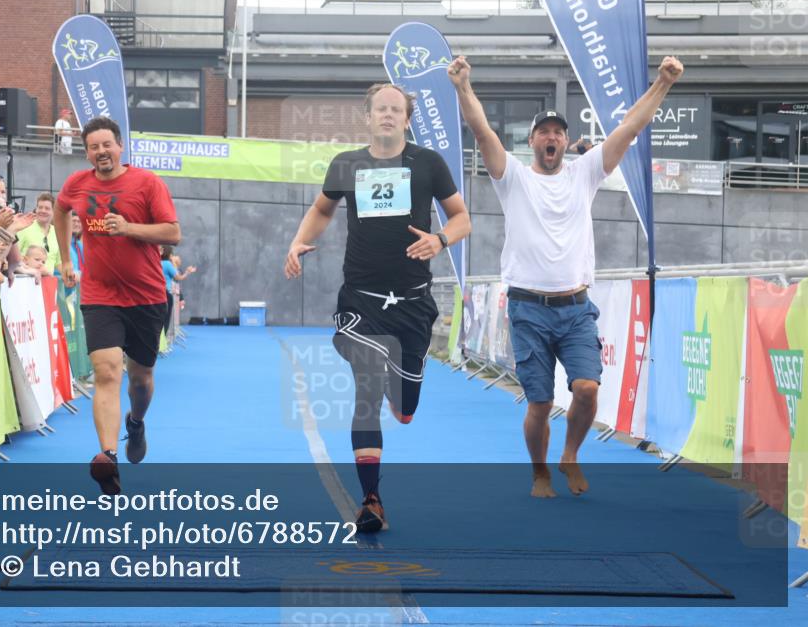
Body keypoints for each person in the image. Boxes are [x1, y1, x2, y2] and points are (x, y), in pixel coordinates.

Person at [448, 54, 685, 498]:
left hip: (575, 308)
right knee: (539, 402)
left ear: (566, 141)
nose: (552, 137)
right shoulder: (512, 178)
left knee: (588, 389)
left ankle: (570, 455)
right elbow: (482, 132)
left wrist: (663, 83)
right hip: (528, 308)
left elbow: (629, 129)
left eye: (558, 132)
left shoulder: (585, 173)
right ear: (533, 142)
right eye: (544, 132)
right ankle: (540, 472)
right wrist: (463, 86)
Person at [284, 83, 471, 533]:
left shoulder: (428, 163)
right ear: (367, 117)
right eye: (380, 109)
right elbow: (322, 209)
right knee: (366, 380)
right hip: (361, 300)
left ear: (407, 119)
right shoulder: (346, 164)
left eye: (395, 109)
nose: (387, 114)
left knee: (405, 410)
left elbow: (462, 218)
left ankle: (398, 385)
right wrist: (297, 241)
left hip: (412, 304)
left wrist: (440, 240)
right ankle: (371, 500)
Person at [54, 116, 180, 495]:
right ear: (86, 152)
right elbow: (61, 210)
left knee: (140, 380)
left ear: (120, 147)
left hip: (146, 296)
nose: (101, 152)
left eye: (106, 145)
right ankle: (108, 457)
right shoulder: (77, 183)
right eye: (93, 147)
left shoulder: (147, 183)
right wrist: (65, 258)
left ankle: (136, 423)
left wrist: (128, 228)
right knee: (107, 373)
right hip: (100, 295)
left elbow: (173, 232)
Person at [17, 192, 61, 275]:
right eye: (40, 207)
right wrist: (29, 270)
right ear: (36, 209)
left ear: (53, 211)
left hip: (48, 281)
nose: (43, 211)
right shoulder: (24, 227)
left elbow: (59, 263)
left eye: (47, 208)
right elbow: (13, 257)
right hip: (27, 280)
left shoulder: (58, 233)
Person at [160, 246, 196, 334]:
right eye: (172, 254)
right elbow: (178, 277)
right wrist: (187, 272)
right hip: (166, 293)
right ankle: (163, 338)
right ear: (169, 254)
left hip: (158, 293)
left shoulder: (157, 263)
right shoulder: (167, 264)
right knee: (166, 318)